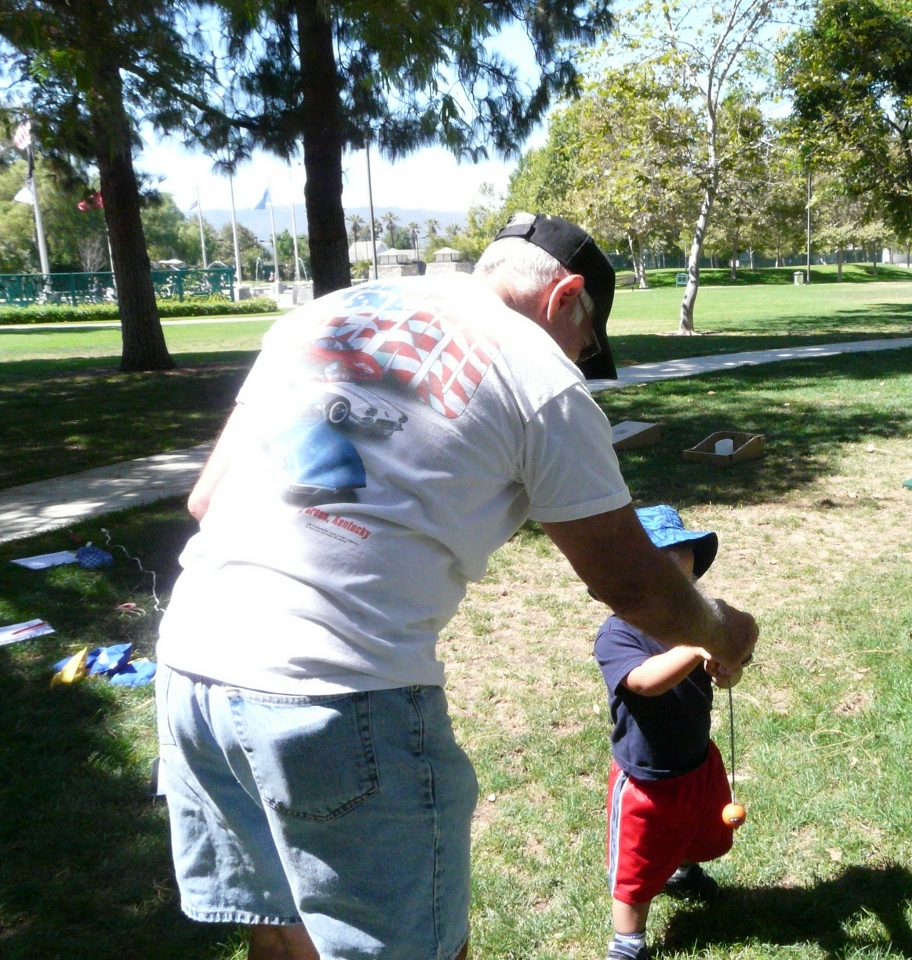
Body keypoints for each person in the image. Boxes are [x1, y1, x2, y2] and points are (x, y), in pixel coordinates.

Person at [155, 213, 758, 960]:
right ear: (566, 298)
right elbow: (636, 587)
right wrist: (725, 632)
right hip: (337, 695)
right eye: (590, 342)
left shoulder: (328, 315)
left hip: (191, 667)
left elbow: (206, 499)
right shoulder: (538, 371)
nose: (582, 359)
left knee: (284, 931)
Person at [594, 505, 744, 960]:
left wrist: (726, 670)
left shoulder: (698, 625)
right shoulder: (617, 634)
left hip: (697, 759)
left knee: (694, 828)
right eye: (663, 562)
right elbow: (645, 682)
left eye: (684, 560)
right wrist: (697, 646)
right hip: (646, 778)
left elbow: (736, 659)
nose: (677, 577)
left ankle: (681, 870)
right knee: (636, 865)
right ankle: (628, 941)